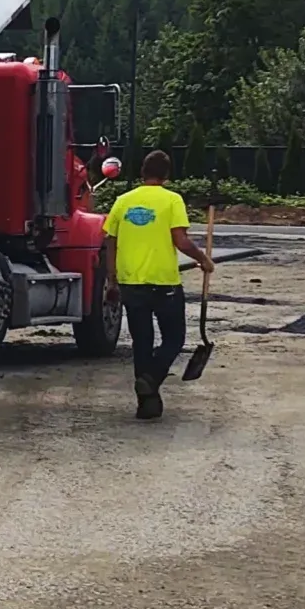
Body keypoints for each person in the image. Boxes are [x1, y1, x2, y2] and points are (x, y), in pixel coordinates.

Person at [101, 149, 213, 420]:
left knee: (142, 341)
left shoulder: (123, 201)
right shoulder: (172, 200)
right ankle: (151, 378)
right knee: (174, 338)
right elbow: (181, 240)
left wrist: (112, 278)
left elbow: (110, 241)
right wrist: (203, 259)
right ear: (166, 175)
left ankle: (147, 403)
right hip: (164, 283)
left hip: (131, 282)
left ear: (142, 172)